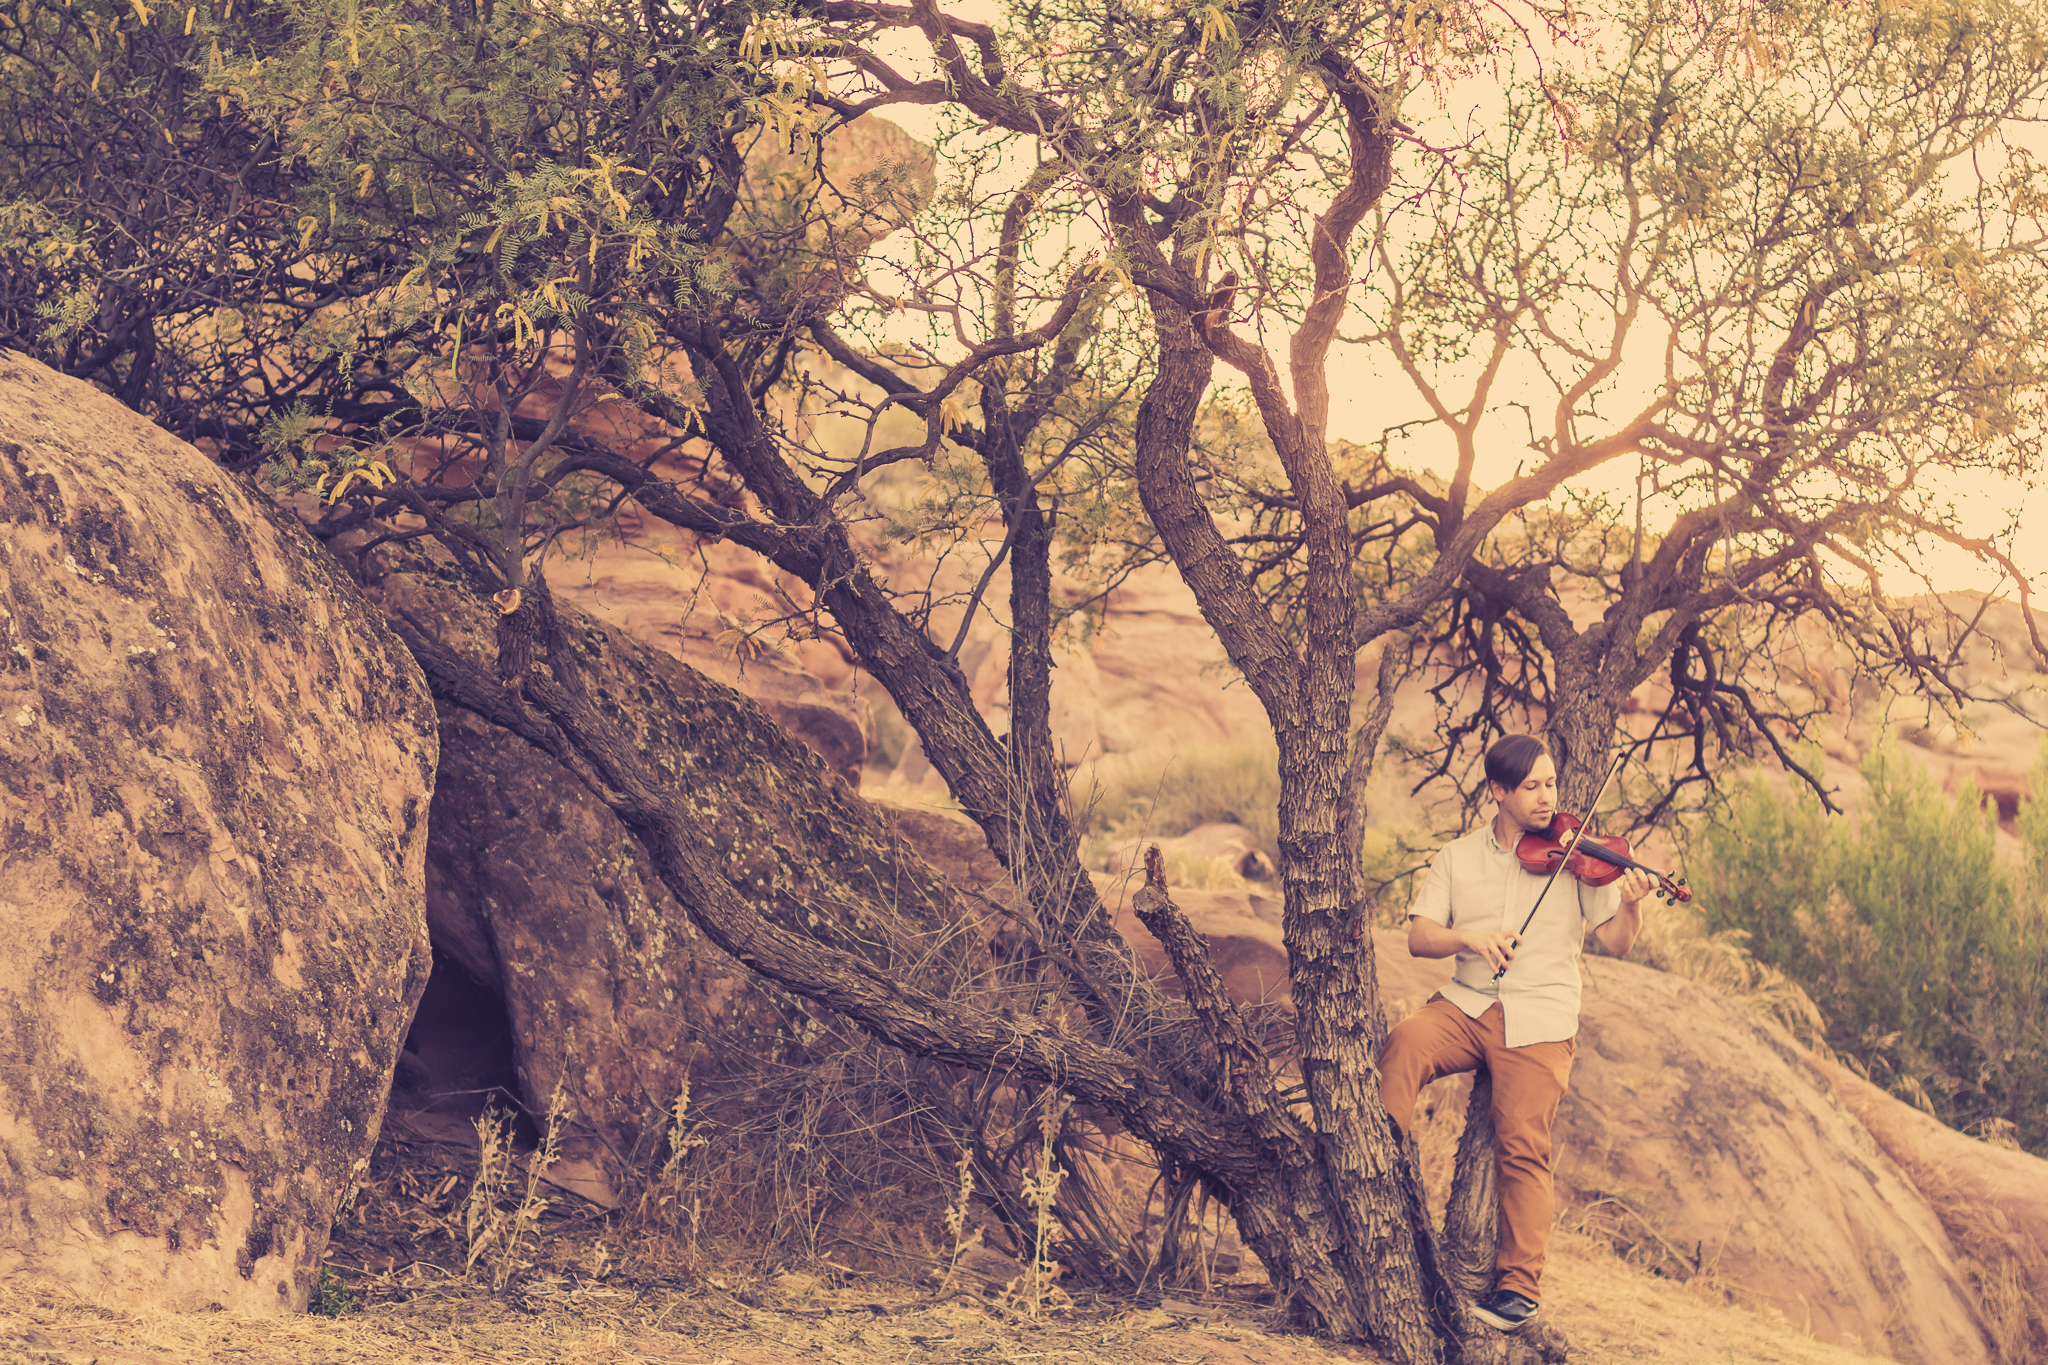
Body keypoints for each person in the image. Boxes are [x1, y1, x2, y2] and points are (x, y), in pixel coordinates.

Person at [1378, 734, 1653, 1333]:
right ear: (1498, 791)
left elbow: (1618, 942)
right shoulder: (1458, 858)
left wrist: (1630, 905)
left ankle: (1518, 1291)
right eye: (1531, 786)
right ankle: (1378, 1183)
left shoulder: (1579, 855)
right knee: (1403, 1043)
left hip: (1540, 1016)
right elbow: (1419, 936)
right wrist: (1469, 939)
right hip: (1467, 1003)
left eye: (1550, 784)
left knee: (1523, 1148)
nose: (1546, 798)